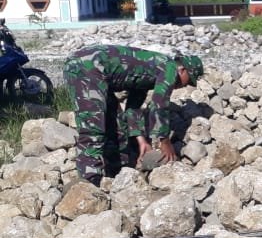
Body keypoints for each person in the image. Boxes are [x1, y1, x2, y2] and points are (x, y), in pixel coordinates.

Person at [63, 45, 204, 185]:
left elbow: (133, 108)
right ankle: (89, 184)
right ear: (182, 69)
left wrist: (142, 141)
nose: (184, 86)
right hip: (86, 67)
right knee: (93, 128)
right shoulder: (170, 68)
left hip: (96, 72)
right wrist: (164, 141)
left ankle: (116, 172)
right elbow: (160, 105)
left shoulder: (152, 71)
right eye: (189, 80)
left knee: (116, 123)